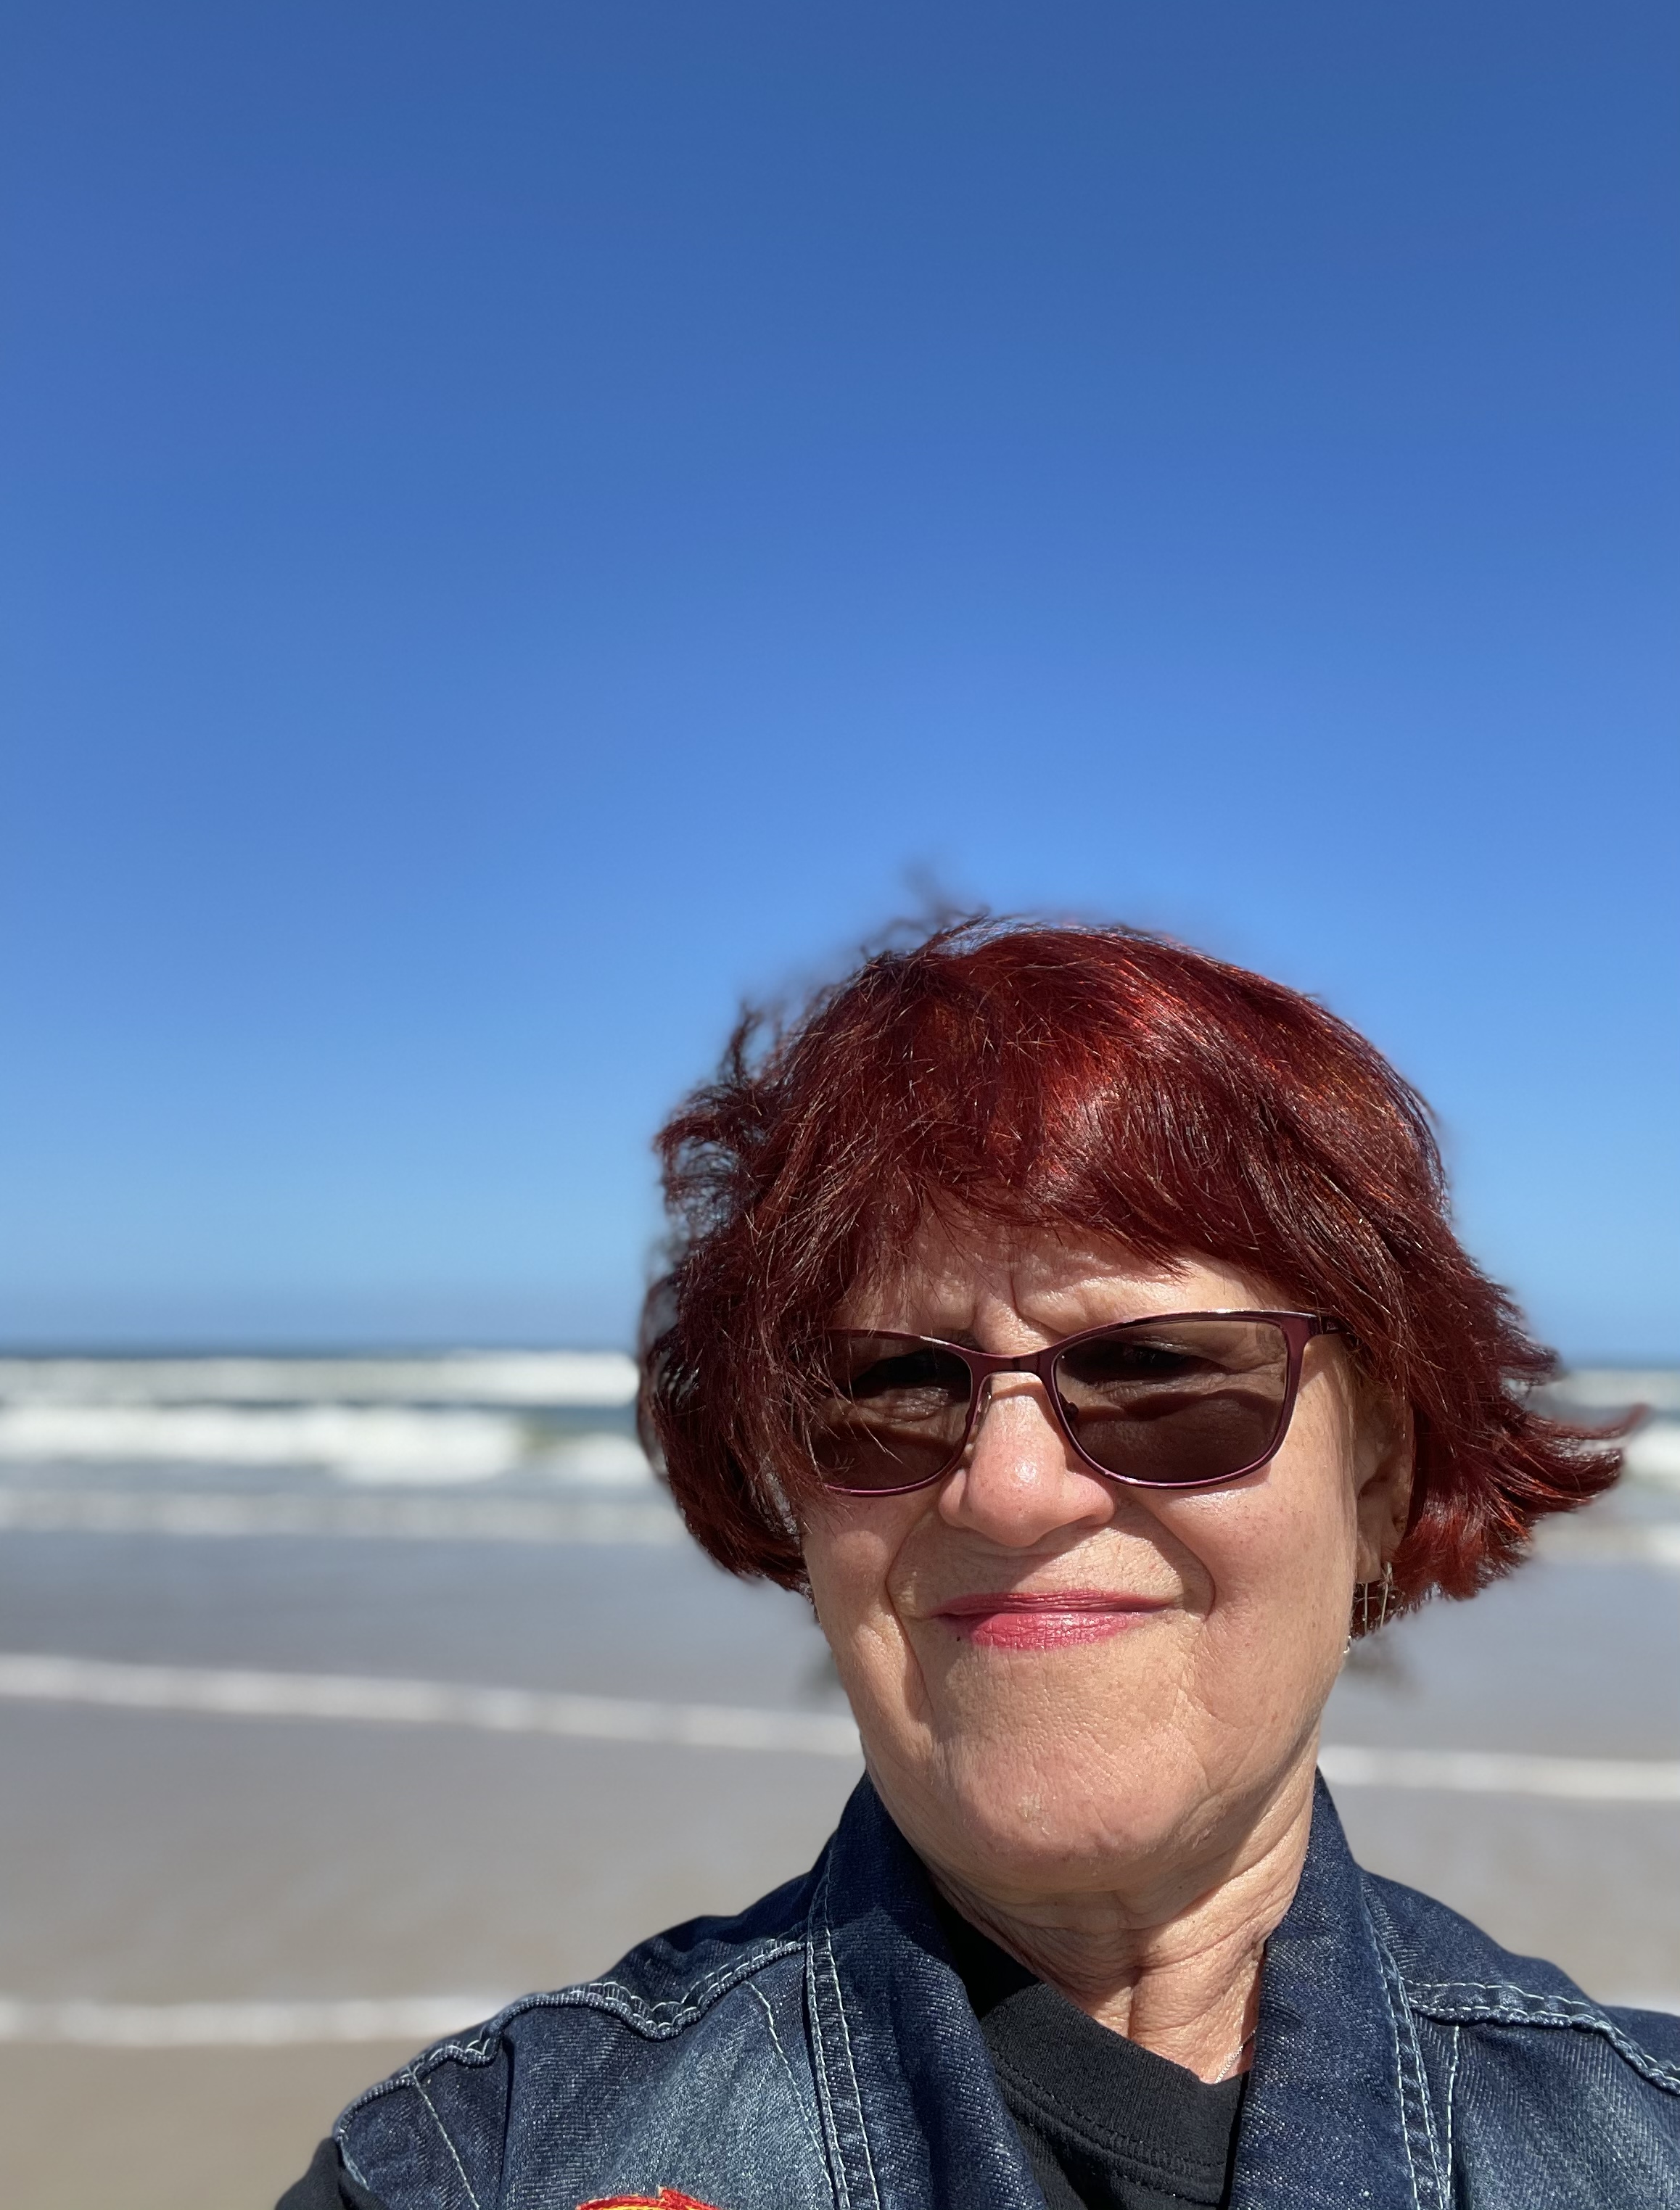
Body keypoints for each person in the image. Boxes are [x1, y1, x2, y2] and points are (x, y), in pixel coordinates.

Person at [280, 920, 1680, 2210]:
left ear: (1376, 1473)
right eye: (888, 1386)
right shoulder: (476, 2168)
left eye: (1158, 1373)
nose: (1007, 1492)